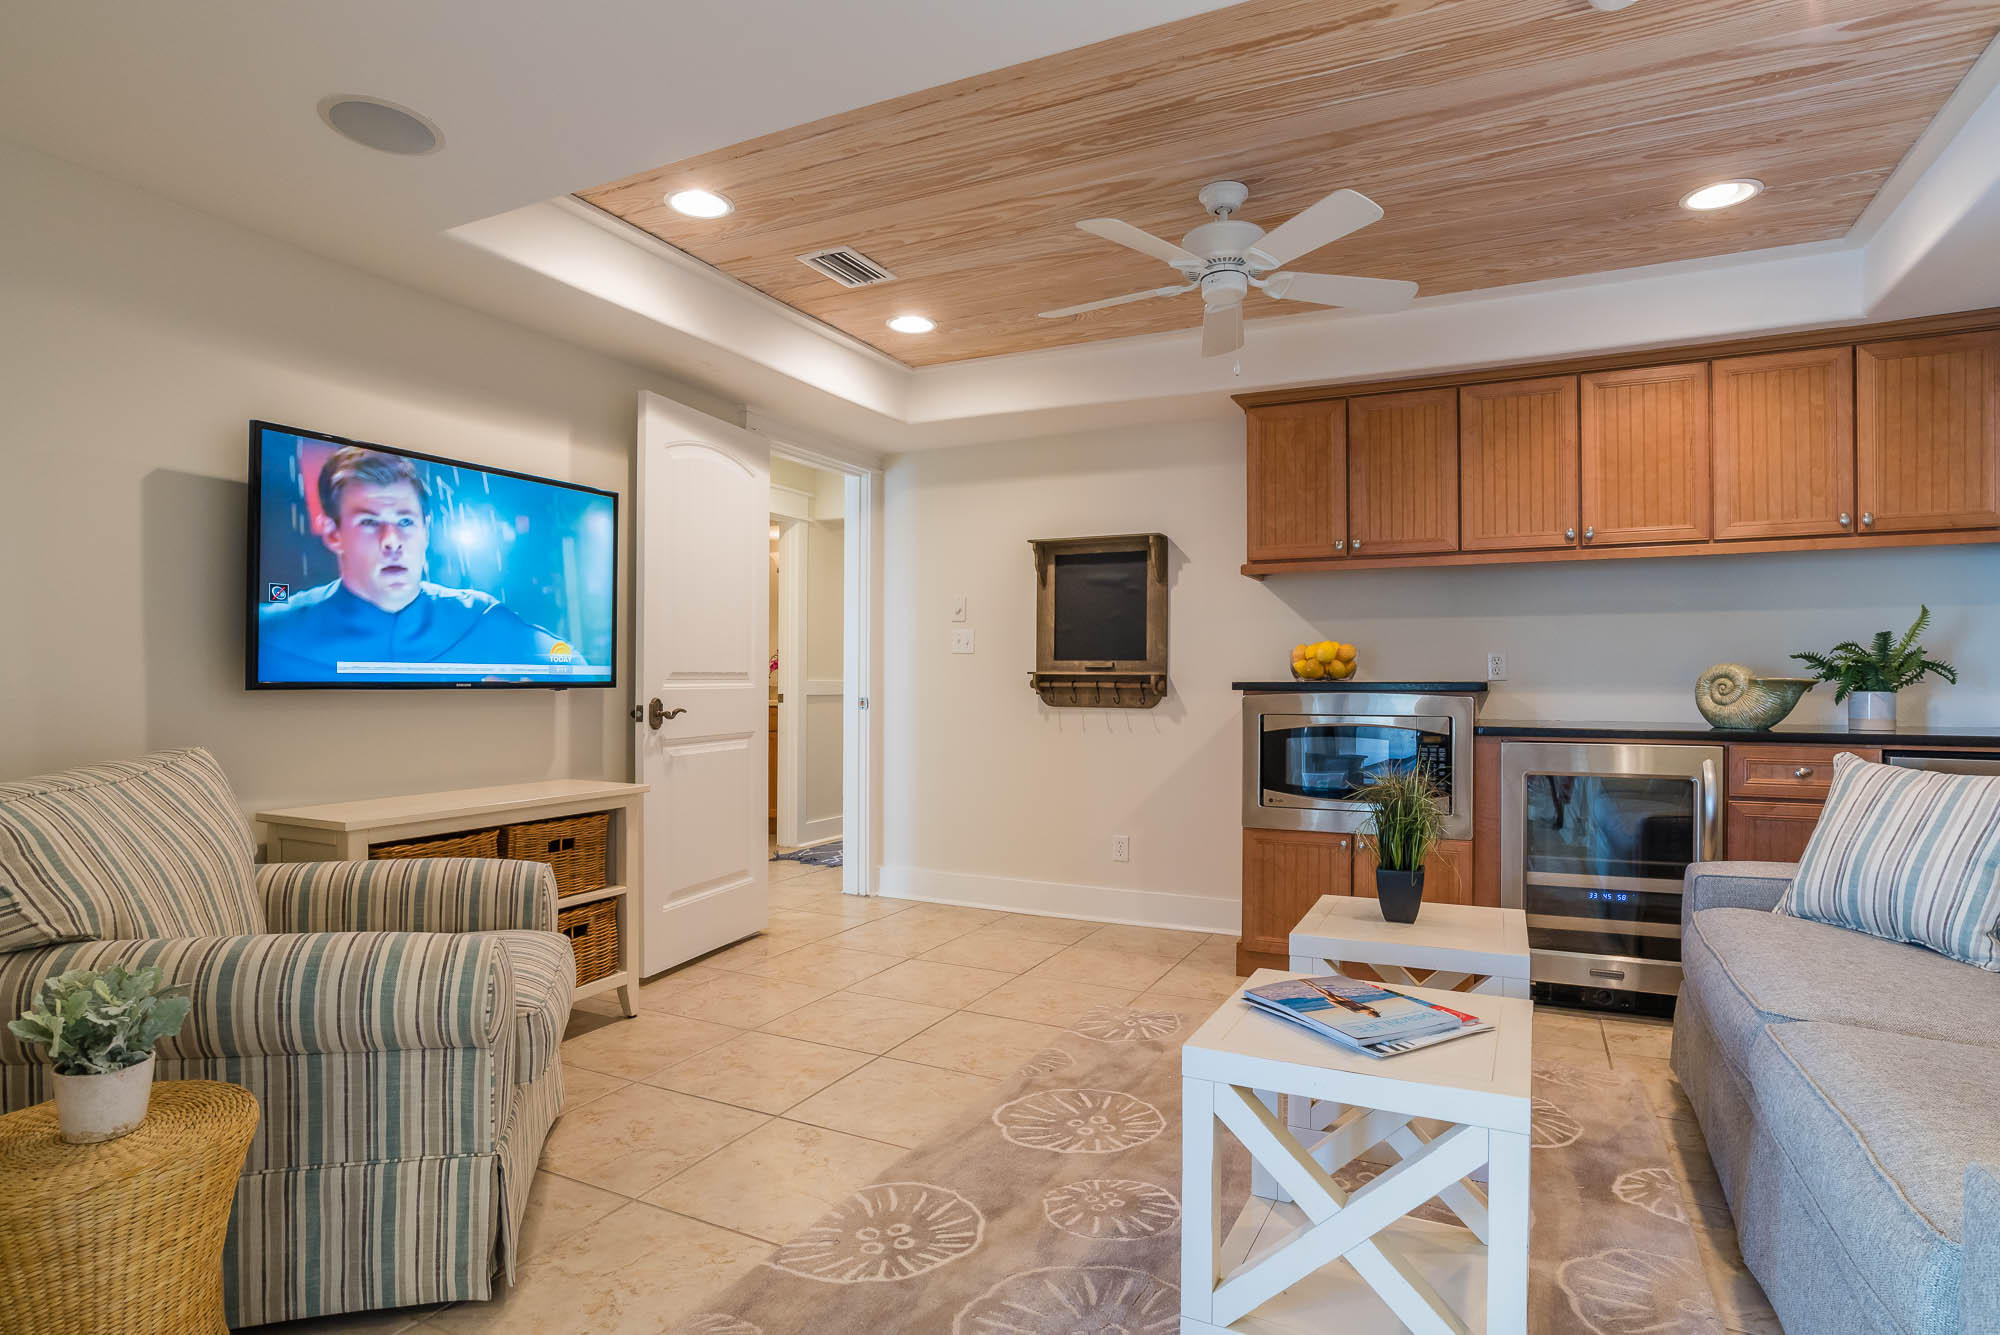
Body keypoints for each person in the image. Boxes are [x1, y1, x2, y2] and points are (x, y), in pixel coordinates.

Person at [258, 446, 581, 682]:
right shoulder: (272, 632)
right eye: (370, 522)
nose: (392, 541)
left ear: (426, 528)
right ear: (333, 533)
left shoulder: (478, 617)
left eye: (405, 521)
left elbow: (574, 666)